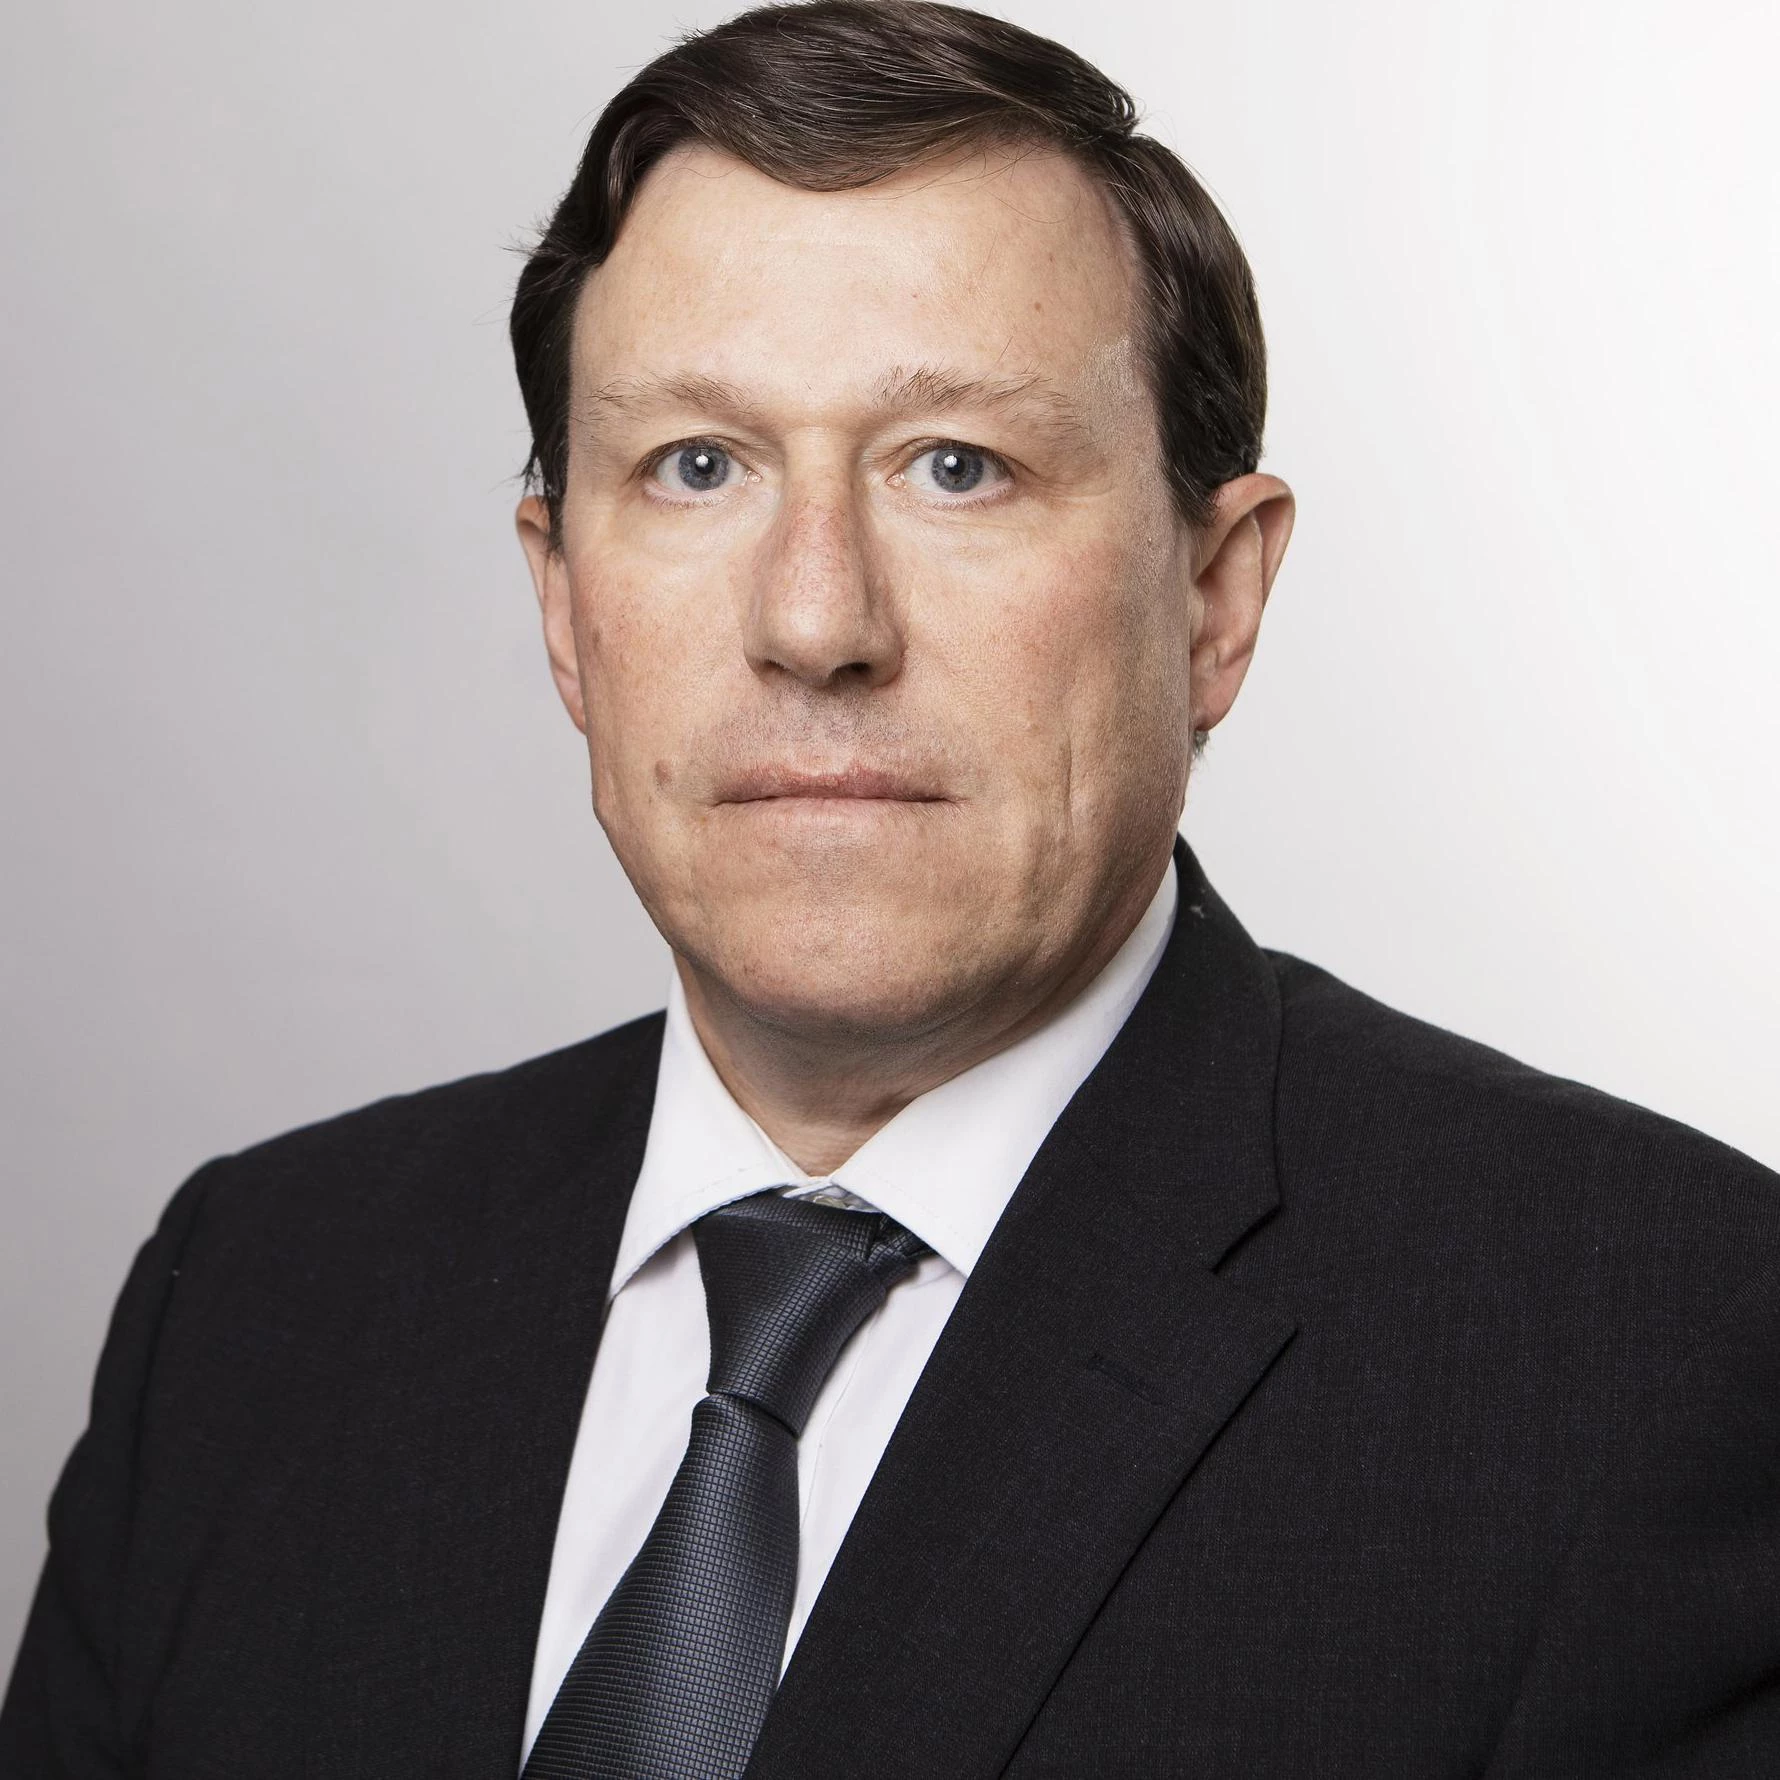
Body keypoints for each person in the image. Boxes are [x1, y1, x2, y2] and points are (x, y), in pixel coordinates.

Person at [5, 1, 1777, 1773]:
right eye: (698, 466)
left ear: (1216, 599)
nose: (815, 621)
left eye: (959, 467)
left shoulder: (1648, 1347)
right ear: (562, 602)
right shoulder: (256, 1301)